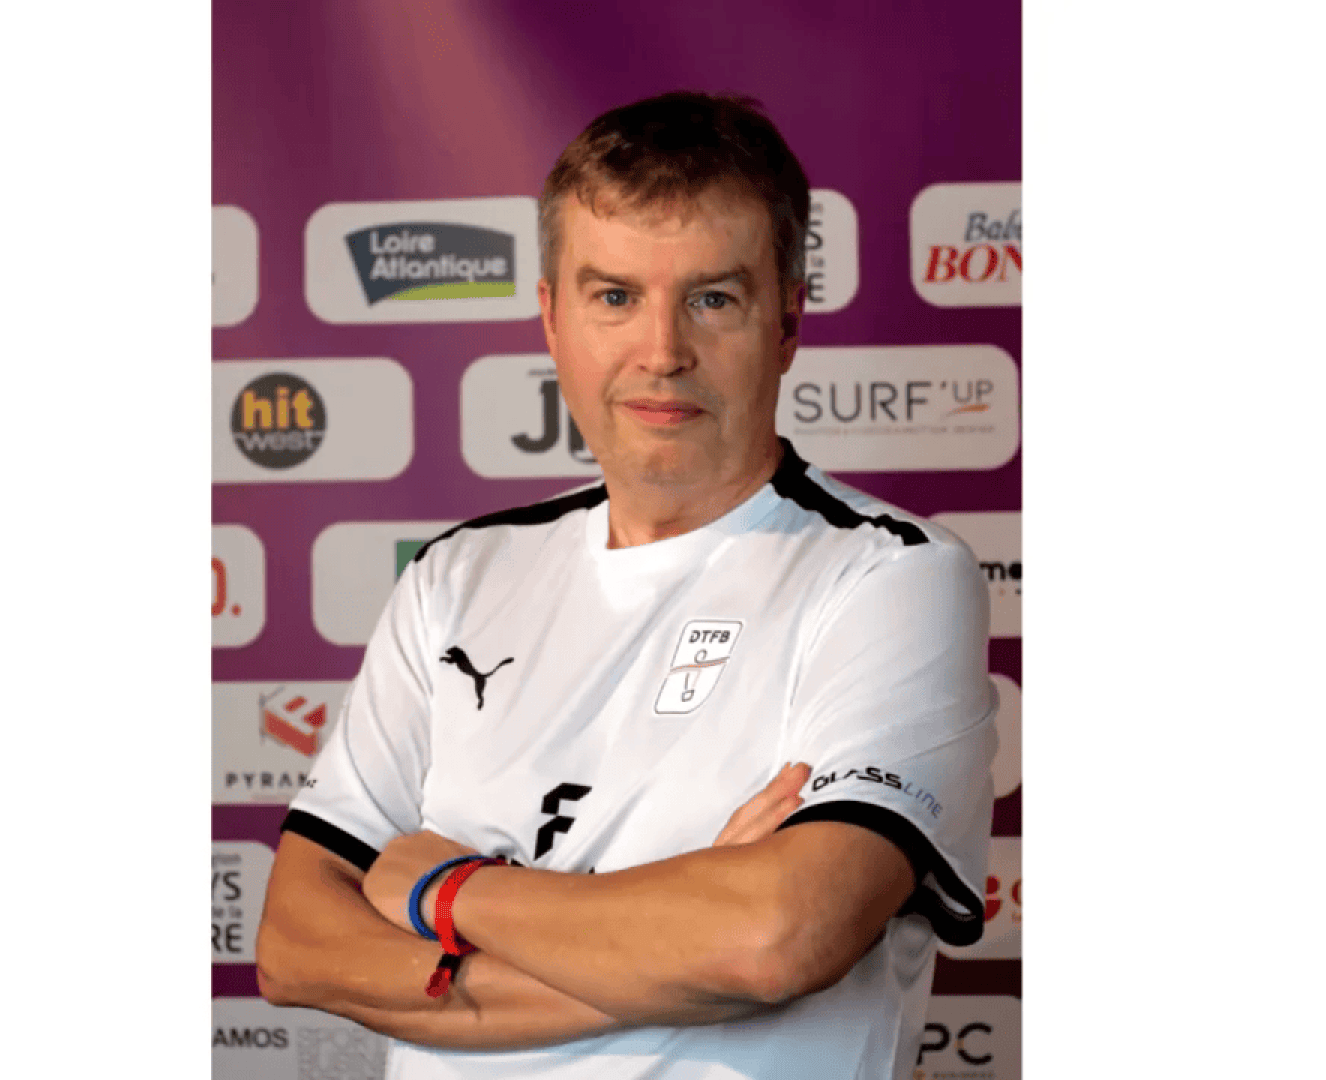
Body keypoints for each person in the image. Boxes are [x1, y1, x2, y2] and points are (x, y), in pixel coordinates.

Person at [256, 91, 998, 1080]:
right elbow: (295, 945)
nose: (662, 352)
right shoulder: (455, 577)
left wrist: (437, 886)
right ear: (552, 320)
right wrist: (678, 934)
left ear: (786, 322)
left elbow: (779, 936)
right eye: (615, 297)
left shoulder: (889, 576)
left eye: (712, 298)